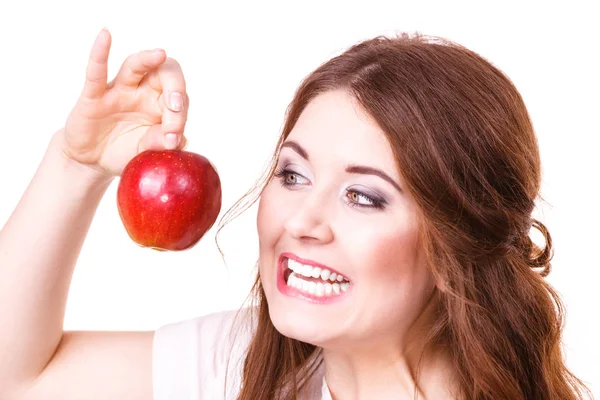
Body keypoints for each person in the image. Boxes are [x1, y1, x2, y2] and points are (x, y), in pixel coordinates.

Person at [0, 28, 591, 400]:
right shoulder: (238, 366)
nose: (302, 221)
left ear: (459, 238)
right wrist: (76, 164)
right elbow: (17, 381)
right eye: (293, 174)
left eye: (364, 195)